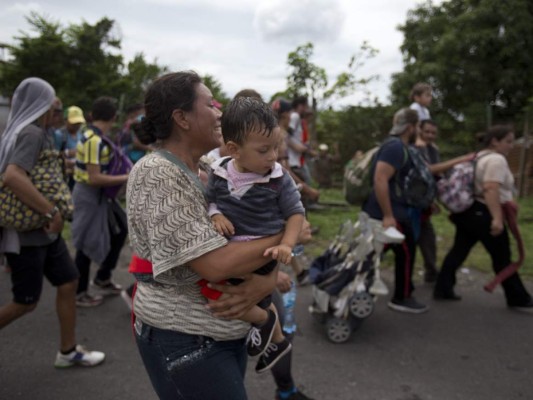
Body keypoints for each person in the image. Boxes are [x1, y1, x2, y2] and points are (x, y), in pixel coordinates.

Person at [126, 71, 290, 399]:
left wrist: (268, 280)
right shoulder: (157, 173)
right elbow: (215, 265)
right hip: (185, 337)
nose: (219, 112)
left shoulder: (202, 167)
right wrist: (286, 234)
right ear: (181, 118)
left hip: (221, 332)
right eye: (211, 103)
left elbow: (245, 233)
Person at [0, 77, 105, 367]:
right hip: (31, 232)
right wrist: (52, 212)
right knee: (25, 301)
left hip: (44, 233)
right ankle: (68, 351)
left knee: (69, 281)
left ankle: (68, 351)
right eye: (53, 105)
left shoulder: (35, 132)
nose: (55, 112)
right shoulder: (31, 134)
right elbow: (12, 176)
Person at [205, 96, 305, 373]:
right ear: (235, 149)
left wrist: (287, 244)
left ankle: (266, 326)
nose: (273, 156)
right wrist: (216, 214)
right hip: (233, 250)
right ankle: (273, 336)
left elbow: (296, 213)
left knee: (222, 293)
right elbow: (210, 200)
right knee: (240, 294)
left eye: (276, 147)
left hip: (262, 252)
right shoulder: (218, 171)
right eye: (264, 150)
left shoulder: (277, 178)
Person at [434, 125, 533, 310]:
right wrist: (496, 218)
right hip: (485, 211)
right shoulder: (496, 159)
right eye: (508, 141)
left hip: (470, 212)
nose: (511, 146)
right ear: (495, 141)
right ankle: (517, 297)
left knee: (459, 250)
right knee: (502, 256)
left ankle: (443, 288)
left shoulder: (477, 157)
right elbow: (490, 188)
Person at [362, 108, 428, 313]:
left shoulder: (394, 146)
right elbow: (380, 179)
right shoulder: (395, 147)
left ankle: (359, 284)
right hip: (390, 213)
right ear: (410, 127)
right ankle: (402, 296)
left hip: (387, 210)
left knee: (371, 253)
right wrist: (389, 215)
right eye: (417, 126)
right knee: (405, 252)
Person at [72, 96, 129, 307]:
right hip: (90, 195)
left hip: (99, 196)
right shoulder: (94, 140)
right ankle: (79, 292)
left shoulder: (91, 135)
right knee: (86, 242)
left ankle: (102, 276)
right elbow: (94, 177)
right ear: (114, 117)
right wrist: (127, 177)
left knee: (120, 228)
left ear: (91, 115)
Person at [54, 106, 86, 191]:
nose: (76, 126)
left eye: (78, 123)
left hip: (77, 175)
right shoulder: (59, 135)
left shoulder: (81, 135)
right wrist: (67, 154)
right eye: (74, 123)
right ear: (65, 120)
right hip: (63, 175)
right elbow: (53, 155)